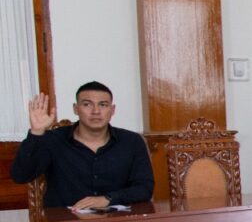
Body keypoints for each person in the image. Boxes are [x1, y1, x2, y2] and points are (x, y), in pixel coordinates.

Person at [11, 81, 154, 209]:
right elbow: (21, 176)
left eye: (103, 105)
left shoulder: (132, 141)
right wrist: (36, 133)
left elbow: (145, 188)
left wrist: (108, 199)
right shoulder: (53, 140)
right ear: (76, 108)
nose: (96, 111)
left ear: (112, 110)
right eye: (87, 104)